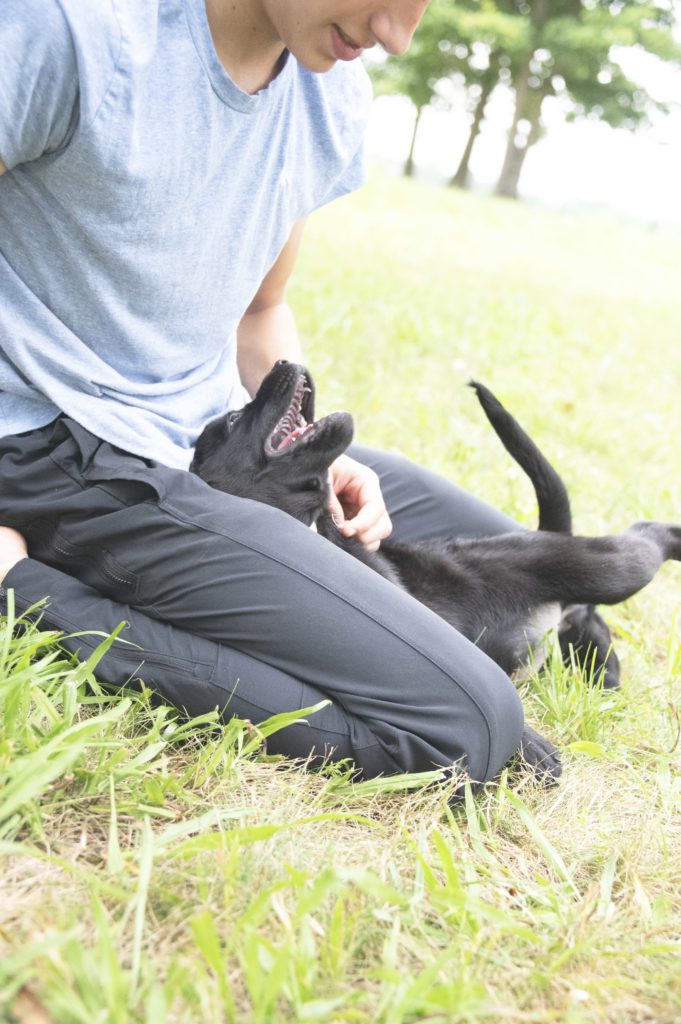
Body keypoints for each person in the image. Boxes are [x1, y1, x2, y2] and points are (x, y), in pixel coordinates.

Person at [0, 0, 525, 784]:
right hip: (56, 446)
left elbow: (260, 309)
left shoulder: (327, 88)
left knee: (513, 594)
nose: (395, 35)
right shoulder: (75, 31)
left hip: (202, 439)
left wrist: (299, 449)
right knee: (467, 729)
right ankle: (23, 588)